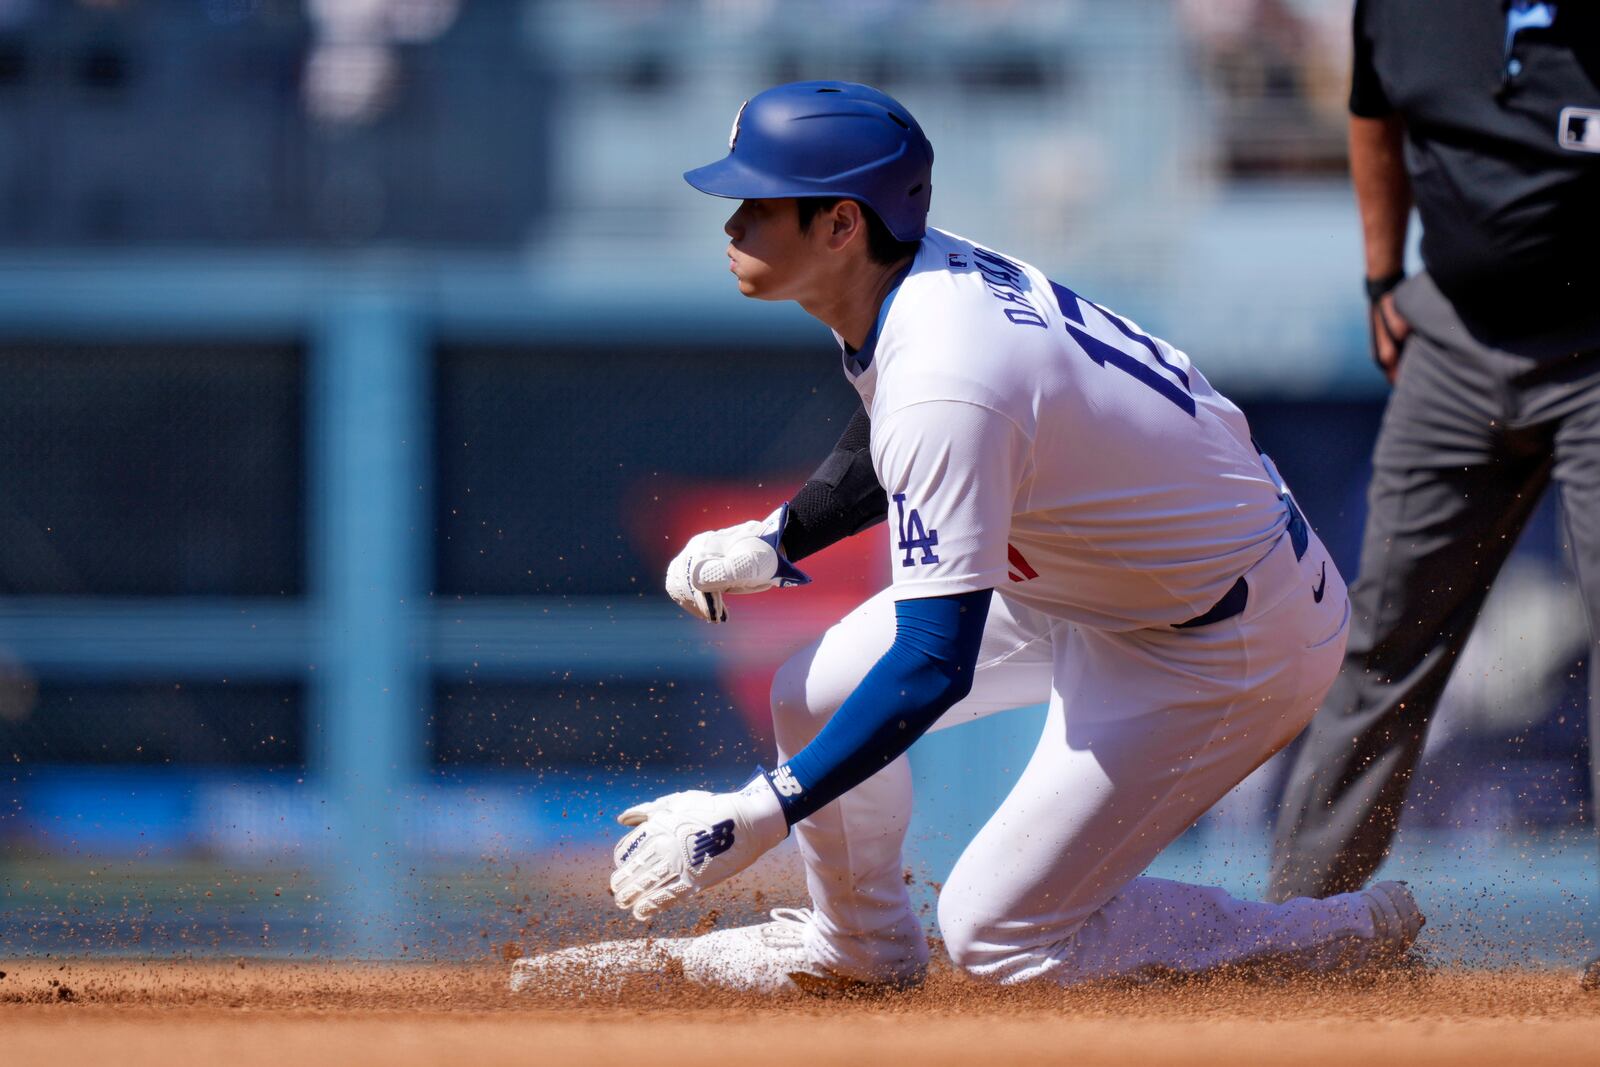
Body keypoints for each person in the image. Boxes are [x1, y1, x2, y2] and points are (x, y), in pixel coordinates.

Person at [512, 80, 1422, 994]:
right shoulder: (915, 281)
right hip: (1099, 577)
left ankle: (1329, 938)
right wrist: (784, 535)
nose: (735, 221)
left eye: (761, 202)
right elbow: (895, 425)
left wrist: (758, 813)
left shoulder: (948, 366)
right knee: (813, 691)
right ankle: (860, 951)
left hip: (1221, 637)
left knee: (999, 935)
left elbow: (932, 661)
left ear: (840, 226)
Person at [1267, 0, 1600, 938]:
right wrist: (1382, 275)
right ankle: (1300, 928)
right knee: (1382, 639)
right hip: (1456, 340)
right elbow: (1377, 114)